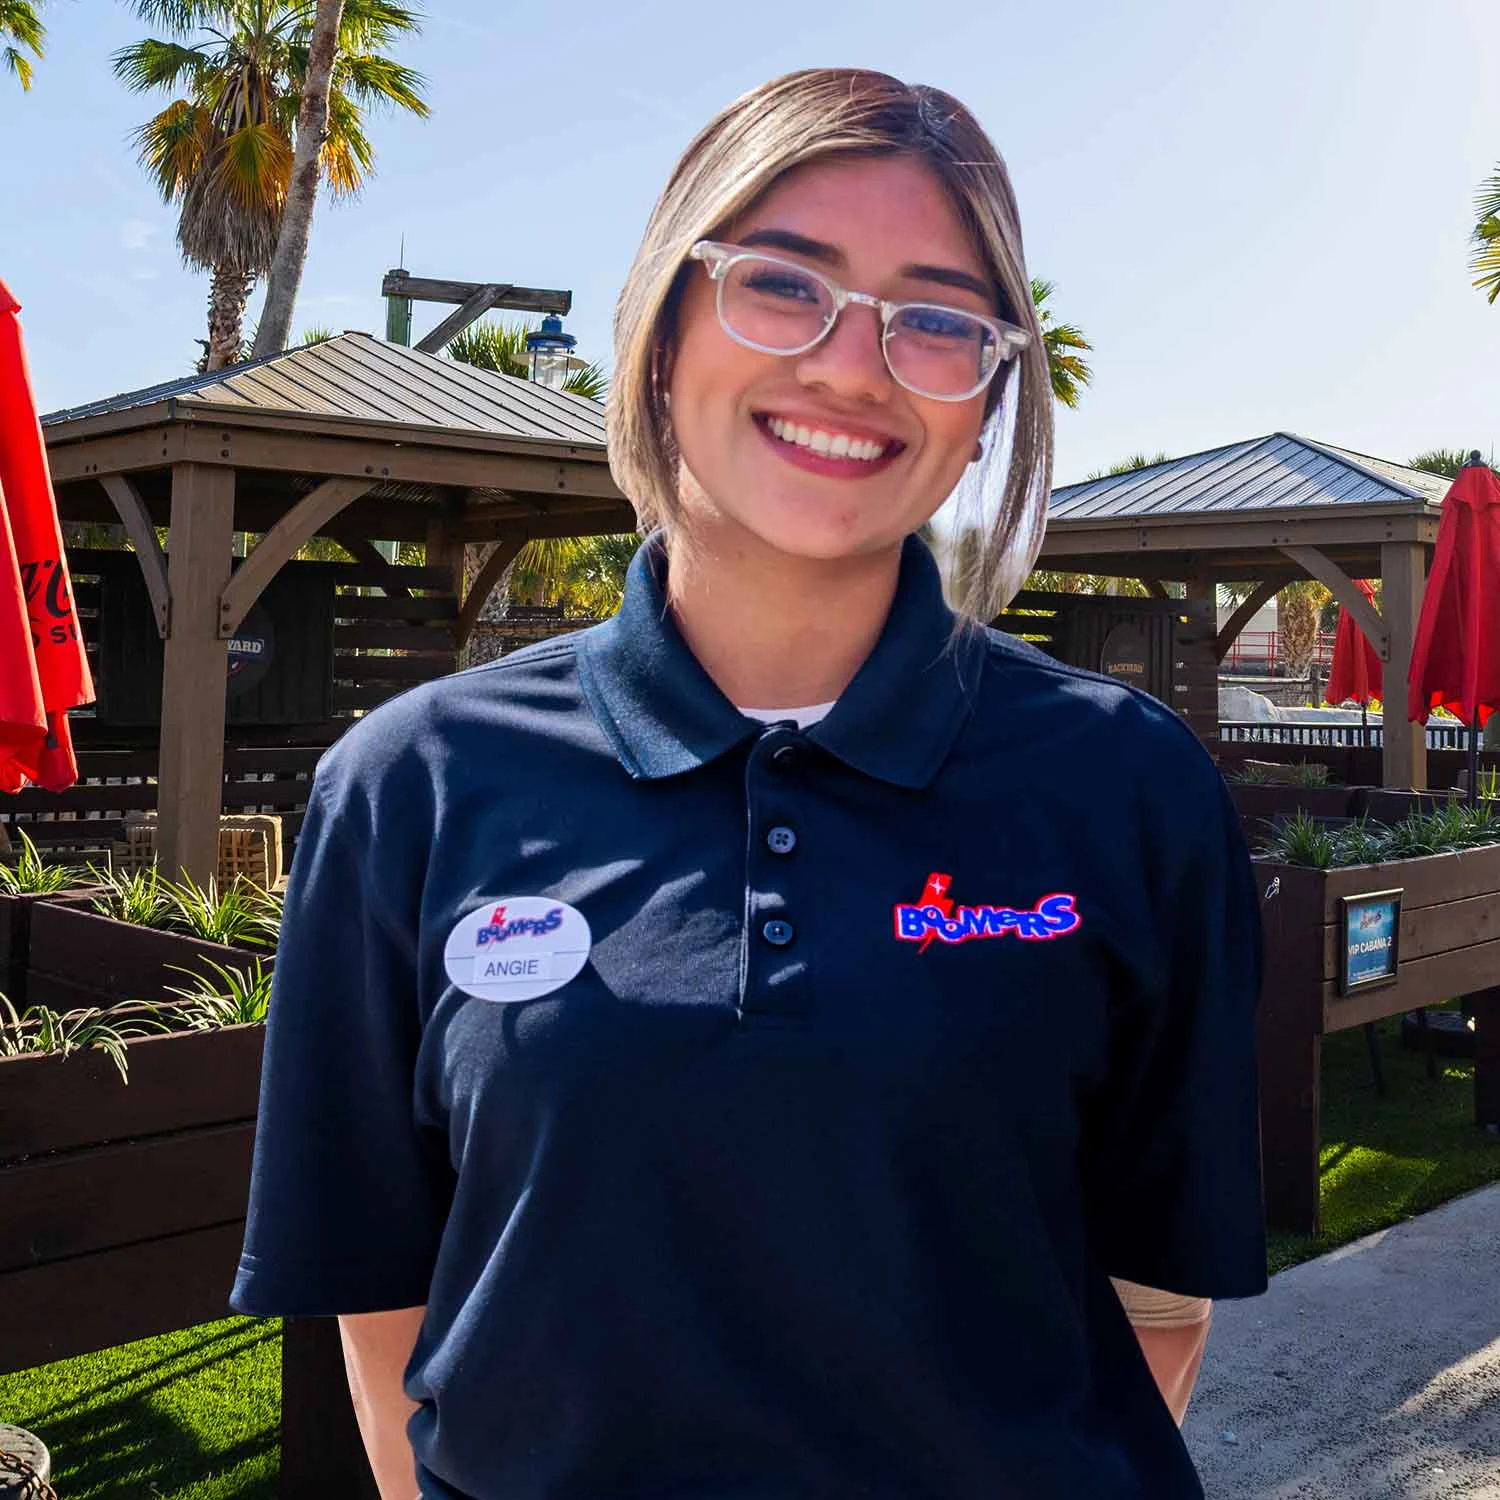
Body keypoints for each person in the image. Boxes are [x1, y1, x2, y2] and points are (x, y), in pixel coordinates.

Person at [230, 67, 1266, 1500]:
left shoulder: (1129, 787)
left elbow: (1161, 1296)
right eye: (784, 286)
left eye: (936, 319)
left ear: (984, 403)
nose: (853, 365)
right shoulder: (410, 784)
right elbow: (384, 1292)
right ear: (661, 332)